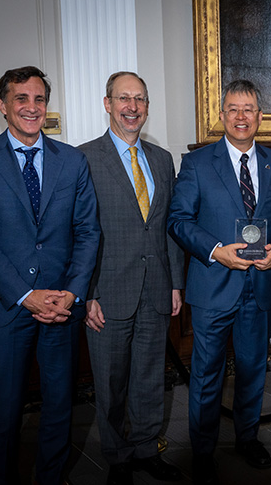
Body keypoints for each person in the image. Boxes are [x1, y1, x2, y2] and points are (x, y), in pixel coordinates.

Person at [0, 66, 100, 485]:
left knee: (60, 405)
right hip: (9, 307)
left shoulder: (73, 160)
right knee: (5, 410)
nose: (31, 107)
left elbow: (88, 231)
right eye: (21, 99)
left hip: (61, 306)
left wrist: (73, 294)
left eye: (39, 99)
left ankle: (52, 477)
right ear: (3, 105)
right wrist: (26, 294)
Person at [167, 79, 271, 484]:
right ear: (221, 115)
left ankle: (247, 438)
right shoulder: (197, 164)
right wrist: (215, 250)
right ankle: (203, 451)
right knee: (206, 374)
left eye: (249, 110)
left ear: (260, 117)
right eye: (233, 109)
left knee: (252, 369)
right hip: (213, 285)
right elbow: (178, 221)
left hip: (259, 288)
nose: (241, 117)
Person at [80, 72, 185, 485]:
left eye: (139, 99)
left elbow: (167, 228)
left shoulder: (161, 160)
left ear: (146, 106)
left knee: (148, 378)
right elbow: (79, 232)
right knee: (110, 382)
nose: (132, 106)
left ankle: (145, 448)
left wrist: (176, 282)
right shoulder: (83, 158)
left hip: (157, 288)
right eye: (123, 98)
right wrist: (85, 294)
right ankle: (117, 456)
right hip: (107, 294)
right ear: (107, 103)